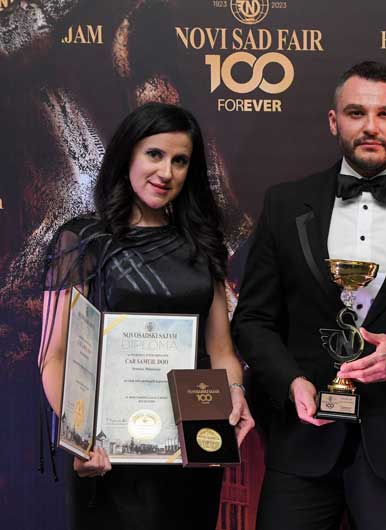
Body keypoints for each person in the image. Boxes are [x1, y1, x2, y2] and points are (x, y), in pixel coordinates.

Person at [231, 61, 386, 530]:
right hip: (303, 439)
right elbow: (252, 320)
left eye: (385, 114)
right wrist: (291, 382)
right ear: (334, 121)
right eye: (356, 113)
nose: (371, 126)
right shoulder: (284, 204)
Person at [37, 102, 255, 530]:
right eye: (154, 154)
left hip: (190, 448)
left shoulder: (203, 242)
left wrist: (234, 392)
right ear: (128, 156)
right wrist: (80, 437)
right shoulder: (82, 240)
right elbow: (55, 356)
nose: (166, 172)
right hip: (107, 451)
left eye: (180, 160)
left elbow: (222, 351)